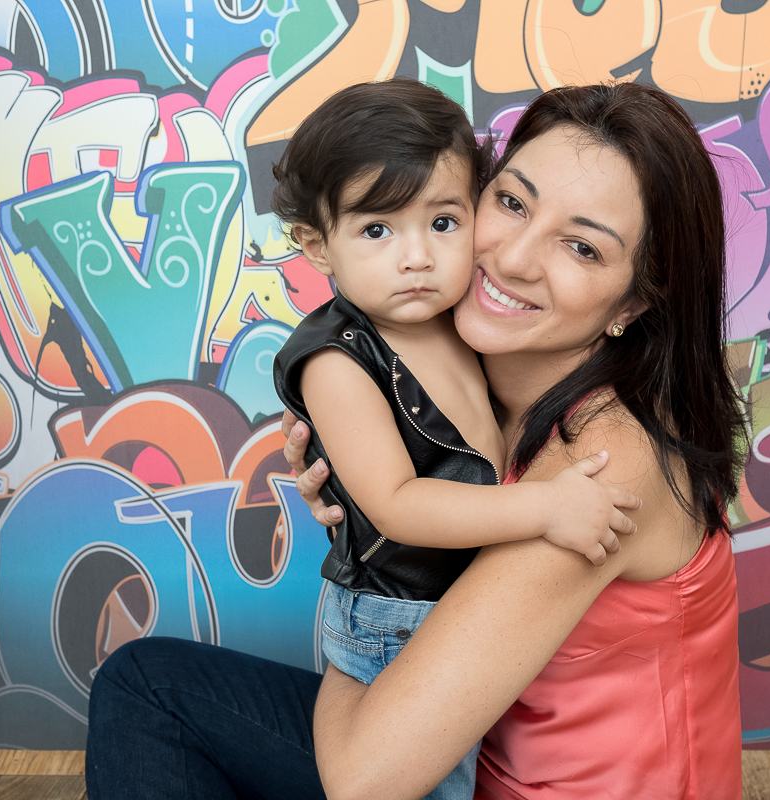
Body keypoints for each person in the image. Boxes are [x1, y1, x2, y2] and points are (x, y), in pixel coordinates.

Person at [86, 81, 746, 800]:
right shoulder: (479, 374)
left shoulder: (602, 460)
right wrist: (373, 497)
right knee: (147, 686)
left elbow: (364, 778)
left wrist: (364, 586)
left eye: (582, 247)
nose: (516, 257)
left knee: (157, 696)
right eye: (513, 202)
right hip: (474, 762)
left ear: (632, 304)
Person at [268, 79, 640, 800]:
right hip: (395, 617)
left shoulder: (461, 314)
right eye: (377, 231)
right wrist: (545, 509)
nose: (416, 258)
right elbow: (400, 506)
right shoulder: (339, 362)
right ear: (317, 245)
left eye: (443, 222)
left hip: (450, 603)